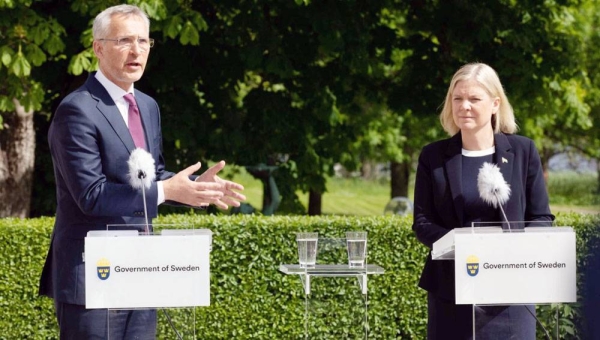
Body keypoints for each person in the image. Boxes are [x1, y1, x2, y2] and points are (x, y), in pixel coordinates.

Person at [38, 4, 246, 339]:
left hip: (142, 269)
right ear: (99, 47)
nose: (136, 50)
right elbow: (92, 196)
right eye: (123, 41)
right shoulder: (76, 110)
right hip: (94, 276)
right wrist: (167, 191)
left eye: (144, 41)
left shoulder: (147, 106)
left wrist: (193, 189)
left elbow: (154, 179)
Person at [412, 62, 554, 339]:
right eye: (458, 98)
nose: (464, 106)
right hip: (450, 291)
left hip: (511, 293)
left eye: (474, 99)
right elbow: (422, 222)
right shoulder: (433, 156)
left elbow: (541, 218)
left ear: (494, 104)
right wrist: (464, 245)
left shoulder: (524, 150)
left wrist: (514, 250)